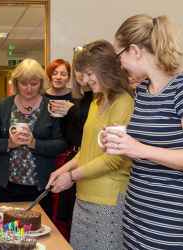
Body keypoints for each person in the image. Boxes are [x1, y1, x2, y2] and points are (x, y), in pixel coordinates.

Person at [108, 14, 183, 249]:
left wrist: (140, 149)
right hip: (136, 206)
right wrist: (122, 144)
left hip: (168, 213)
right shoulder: (143, 91)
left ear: (135, 51)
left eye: (120, 56)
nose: (120, 64)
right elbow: (148, 146)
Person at [46, 40, 134, 250]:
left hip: (108, 199)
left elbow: (114, 159)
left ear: (105, 69)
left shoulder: (124, 102)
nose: (84, 80)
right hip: (83, 195)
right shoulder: (96, 102)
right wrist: (62, 170)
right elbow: (86, 150)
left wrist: (72, 177)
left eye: (89, 73)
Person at [0, 58, 66, 215]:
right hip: (5, 185)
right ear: (15, 83)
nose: (29, 88)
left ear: (41, 83)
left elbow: (61, 144)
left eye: (34, 84)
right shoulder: (2, 107)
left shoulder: (51, 108)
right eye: (23, 83)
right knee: (6, 230)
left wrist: (35, 144)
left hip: (39, 187)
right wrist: (9, 144)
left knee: (37, 231)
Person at [51, 50, 95, 240]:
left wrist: (71, 112)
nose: (80, 76)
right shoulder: (82, 99)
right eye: (78, 70)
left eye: (83, 71)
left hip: (89, 162)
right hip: (75, 157)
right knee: (68, 216)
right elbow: (71, 136)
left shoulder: (98, 99)